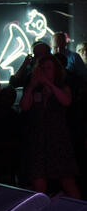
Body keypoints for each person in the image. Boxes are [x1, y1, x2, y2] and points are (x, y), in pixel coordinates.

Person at [20, 54, 81, 199]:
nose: (45, 71)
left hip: (58, 140)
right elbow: (24, 106)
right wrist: (32, 85)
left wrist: (50, 84)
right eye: (42, 68)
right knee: (38, 184)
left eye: (49, 68)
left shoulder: (62, 87)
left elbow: (66, 101)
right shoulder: (35, 89)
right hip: (39, 140)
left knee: (68, 182)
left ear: (55, 71)